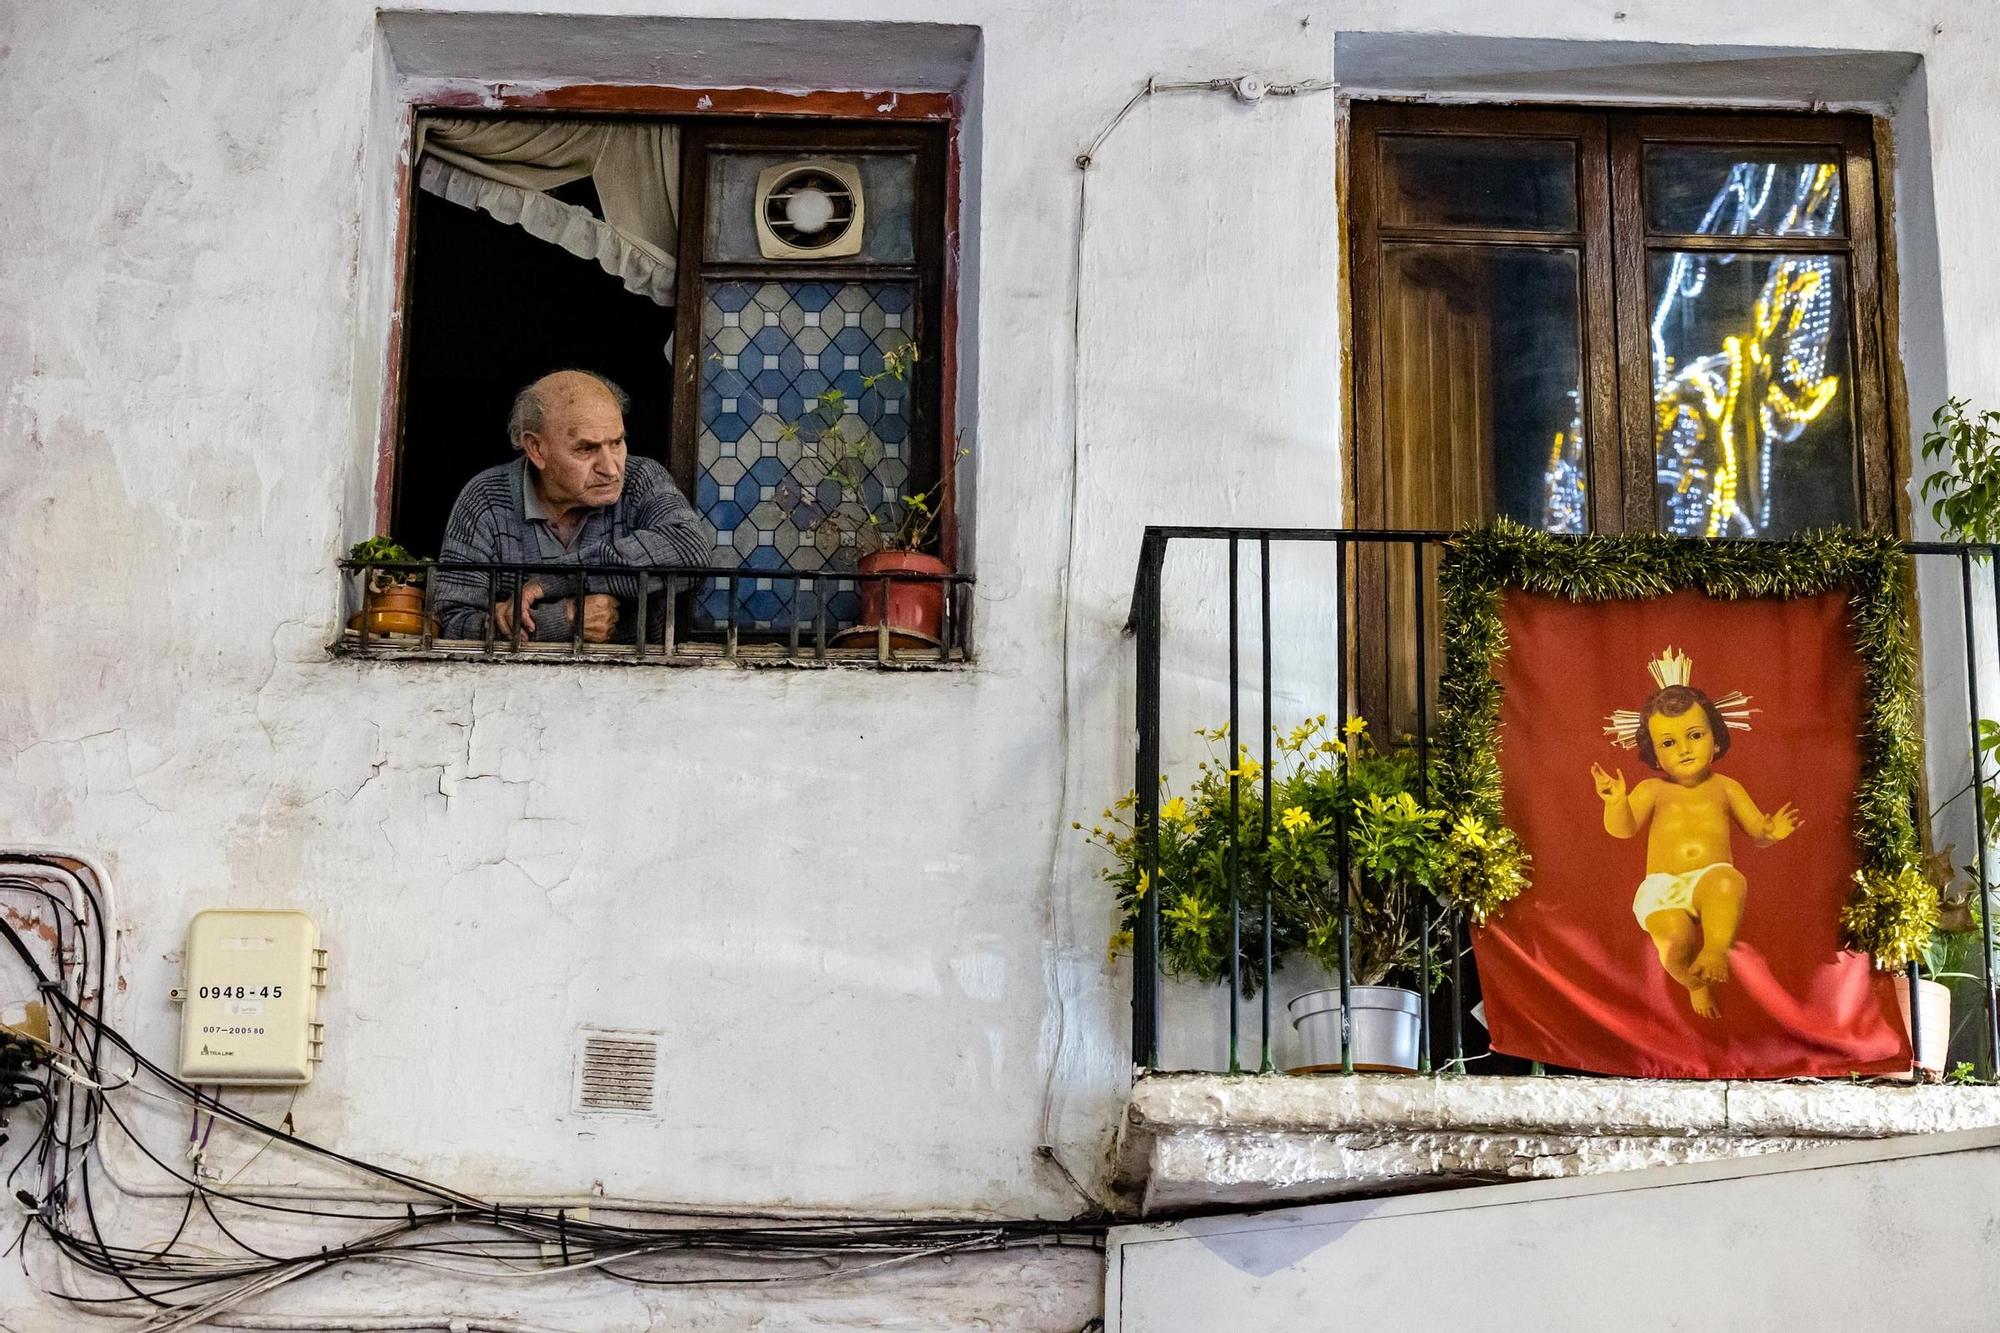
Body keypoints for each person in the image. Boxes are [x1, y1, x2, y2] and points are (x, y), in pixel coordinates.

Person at [1590, 652, 1800, 1019]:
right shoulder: (1652, 791)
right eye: (1668, 743)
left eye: (1695, 735)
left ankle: (1716, 949)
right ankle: (1693, 983)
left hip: (1707, 876)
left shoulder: (1726, 788)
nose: (1684, 749)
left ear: (1716, 740)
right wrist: (1616, 801)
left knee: (1727, 882)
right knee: (1674, 941)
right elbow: (1622, 830)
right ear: (1653, 754)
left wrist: (1771, 831)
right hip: (1661, 887)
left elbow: (1757, 833)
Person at [432, 370, 711, 643]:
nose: (611, 469)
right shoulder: (487, 498)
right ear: (536, 449)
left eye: (617, 443)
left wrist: (551, 582)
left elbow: (690, 549)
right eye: (586, 449)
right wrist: (566, 618)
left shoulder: (640, 479)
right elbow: (450, 623)